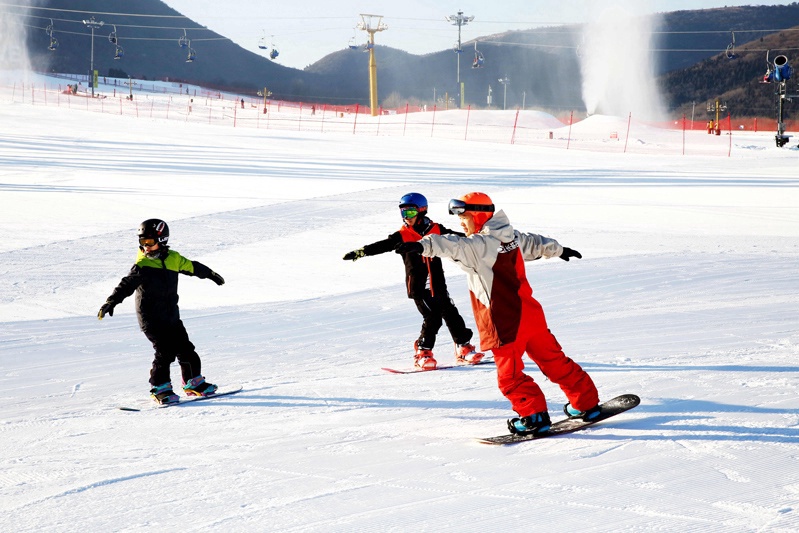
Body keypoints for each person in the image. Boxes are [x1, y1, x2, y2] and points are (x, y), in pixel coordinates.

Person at [395, 192, 600, 435]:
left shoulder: (480, 245)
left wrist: (422, 245)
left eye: (464, 216)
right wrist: (559, 249)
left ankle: (533, 416)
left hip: (504, 322)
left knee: (509, 376)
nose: (461, 222)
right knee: (555, 361)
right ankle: (586, 403)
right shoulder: (510, 236)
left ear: (478, 215)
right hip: (531, 316)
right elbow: (535, 243)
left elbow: (451, 244)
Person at [342, 193, 483, 370]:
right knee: (433, 317)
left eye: (409, 213)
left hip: (438, 284)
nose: (405, 218)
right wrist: (361, 252)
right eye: (403, 213)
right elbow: (382, 246)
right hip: (418, 287)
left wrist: (481, 240)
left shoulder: (436, 229)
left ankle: (463, 348)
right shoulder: (402, 235)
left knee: (451, 313)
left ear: (422, 211)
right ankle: (423, 352)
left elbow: (458, 238)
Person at [98, 219, 226, 405]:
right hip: (151, 318)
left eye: (149, 242)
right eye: (142, 243)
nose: (146, 247)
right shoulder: (142, 266)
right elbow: (126, 285)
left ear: (163, 240)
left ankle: (193, 383)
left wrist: (210, 274)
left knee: (186, 349)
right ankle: (160, 388)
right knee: (165, 352)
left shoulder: (174, 259)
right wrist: (111, 301)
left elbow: (192, 266)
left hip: (171, 316)